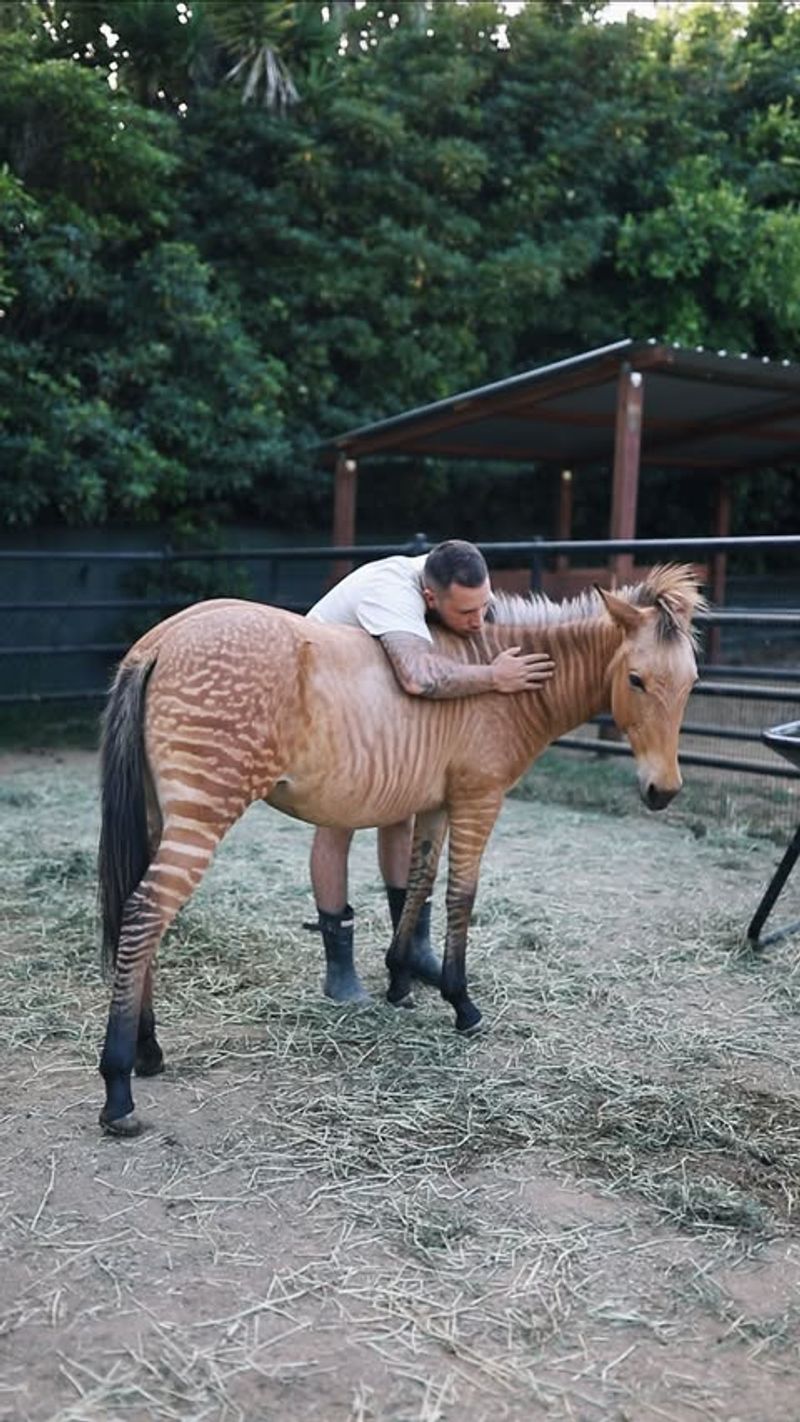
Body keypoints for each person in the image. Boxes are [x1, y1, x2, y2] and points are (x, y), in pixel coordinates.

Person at [305, 539, 555, 1002]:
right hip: (323, 698)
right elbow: (419, 677)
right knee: (336, 822)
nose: (478, 622)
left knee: (400, 811)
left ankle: (413, 944)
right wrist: (493, 677)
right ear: (429, 600)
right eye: (466, 614)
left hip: (377, 695)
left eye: (484, 606)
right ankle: (338, 969)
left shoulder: (456, 582)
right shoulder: (391, 593)